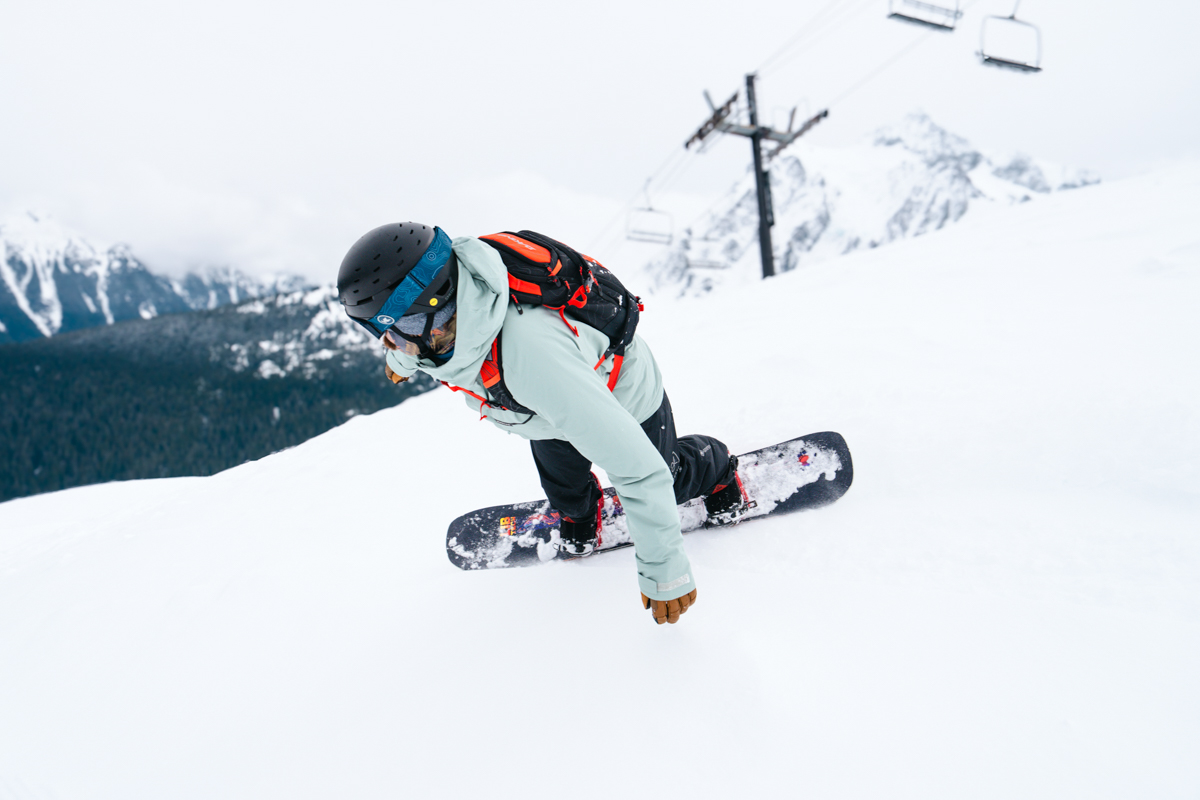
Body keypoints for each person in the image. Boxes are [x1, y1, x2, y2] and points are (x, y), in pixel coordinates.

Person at [336, 222, 746, 625]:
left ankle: (718, 469)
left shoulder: (531, 356)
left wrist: (665, 572)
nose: (388, 343)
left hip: (620, 395)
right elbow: (430, 340)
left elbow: (638, 470)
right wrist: (403, 356)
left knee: (666, 479)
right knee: (565, 490)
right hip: (545, 416)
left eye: (394, 333)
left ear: (431, 313)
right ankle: (583, 513)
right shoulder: (460, 305)